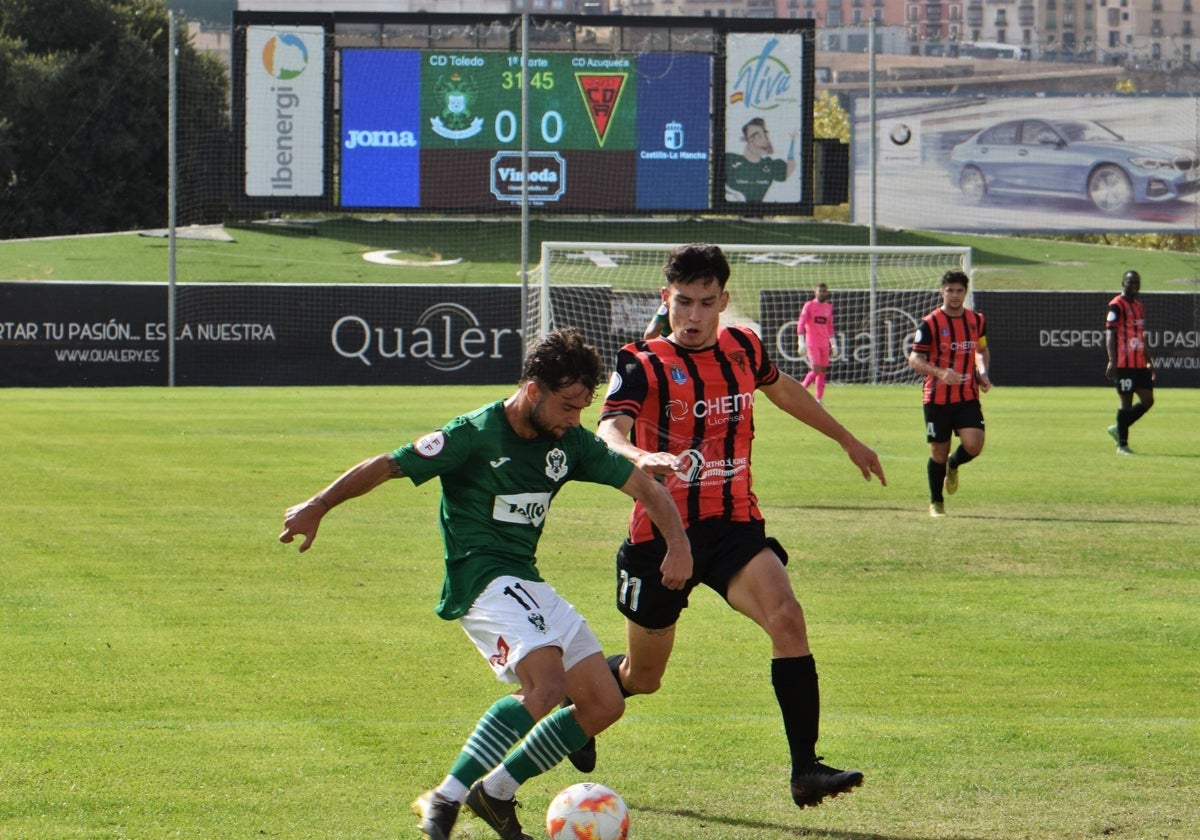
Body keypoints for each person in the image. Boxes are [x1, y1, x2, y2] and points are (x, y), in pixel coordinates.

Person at [279, 328, 692, 840]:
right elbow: (388, 465)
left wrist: (679, 546)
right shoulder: (473, 433)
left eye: (581, 410)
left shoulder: (569, 442)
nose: (573, 421)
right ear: (534, 390)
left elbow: (645, 486)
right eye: (567, 407)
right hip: (481, 581)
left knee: (605, 703)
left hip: (527, 583)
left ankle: (493, 793)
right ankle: (446, 797)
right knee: (545, 686)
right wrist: (319, 505)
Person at [578, 243, 886, 812]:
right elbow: (609, 430)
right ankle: (583, 704)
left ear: (724, 301)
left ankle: (805, 770)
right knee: (643, 678)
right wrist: (637, 456)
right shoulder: (639, 362)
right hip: (662, 538)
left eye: (706, 303)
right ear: (664, 298)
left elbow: (786, 389)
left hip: (735, 526)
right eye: (683, 302)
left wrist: (847, 439)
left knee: (788, 619)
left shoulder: (744, 347)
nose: (693, 317)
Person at [907, 269, 992, 518]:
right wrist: (940, 372)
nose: (955, 295)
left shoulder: (977, 320)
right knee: (938, 453)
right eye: (950, 290)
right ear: (942, 291)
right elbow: (915, 358)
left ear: (965, 293)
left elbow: (981, 350)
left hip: (967, 396)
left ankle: (953, 464)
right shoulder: (930, 323)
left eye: (959, 291)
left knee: (974, 445)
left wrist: (982, 372)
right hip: (937, 399)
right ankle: (936, 502)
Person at [1105, 269, 1154, 455]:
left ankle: (1119, 426)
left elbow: (1139, 337)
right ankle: (1122, 445)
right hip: (1124, 364)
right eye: (1131, 282)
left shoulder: (1139, 306)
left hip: (1139, 364)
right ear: (1123, 283)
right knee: (1126, 402)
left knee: (1148, 400)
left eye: (1137, 283)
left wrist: (1149, 360)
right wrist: (1112, 360)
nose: (1135, 286)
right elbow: (1110, 332)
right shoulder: (1116, 305)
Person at [724, 117, 798, 203]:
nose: (762, 140)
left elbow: (790, 167)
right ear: (746, 139)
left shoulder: (771, 165)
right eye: (755, 136)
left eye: (763, 135)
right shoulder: (729, 159)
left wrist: (793, 141)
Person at [796, 283, 838, 403]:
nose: (822, 293)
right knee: (816, 369)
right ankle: (800, 390)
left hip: (824, 343)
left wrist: (833, 343)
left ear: (827, 293)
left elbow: (829, 327)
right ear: (815, 292)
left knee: (822, 371)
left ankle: (819, 398)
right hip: (812, 343)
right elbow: (801, 323)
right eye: (820, 291)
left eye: (824, 291)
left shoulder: (828, 307)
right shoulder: (809, 305)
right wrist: (801, 341)